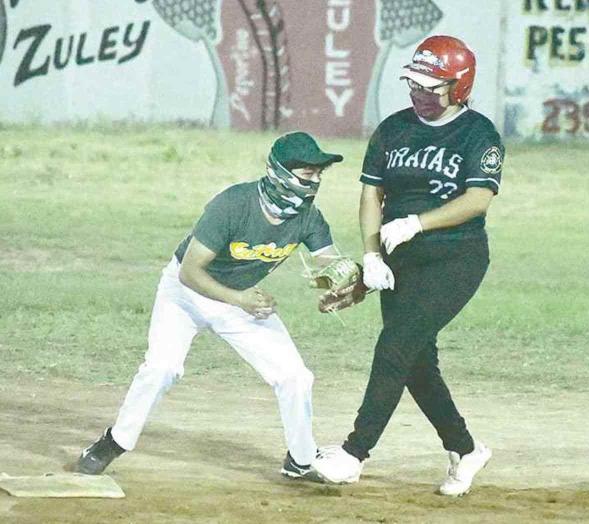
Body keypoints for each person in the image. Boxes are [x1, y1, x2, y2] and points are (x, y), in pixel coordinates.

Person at [75, 132, 345, 480]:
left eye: (319, 174)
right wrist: (240, 299)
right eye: (308, 173)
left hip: (239, 300)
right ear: (281, 172)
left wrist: (347, 280)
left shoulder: (307, 217)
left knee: (295, 377)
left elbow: (331, 261)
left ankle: (301, 459)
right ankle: (113, 443)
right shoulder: (234, 204)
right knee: (162, 367)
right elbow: (190, 272)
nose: (316, 181)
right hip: (185, 294)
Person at [312, 35, 505, 496]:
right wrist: (371, 255)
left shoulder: (478, 133)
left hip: (455, 259)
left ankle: (354, 454)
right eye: (414, 85)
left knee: (394, 348)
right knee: (416, 363)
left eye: (430, 87)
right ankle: (466, 448)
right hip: (401, 262)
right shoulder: (393, 129)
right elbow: (371, 194)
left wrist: (418, 222)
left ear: (459, 88)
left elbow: (478, 199)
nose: (419, 94)